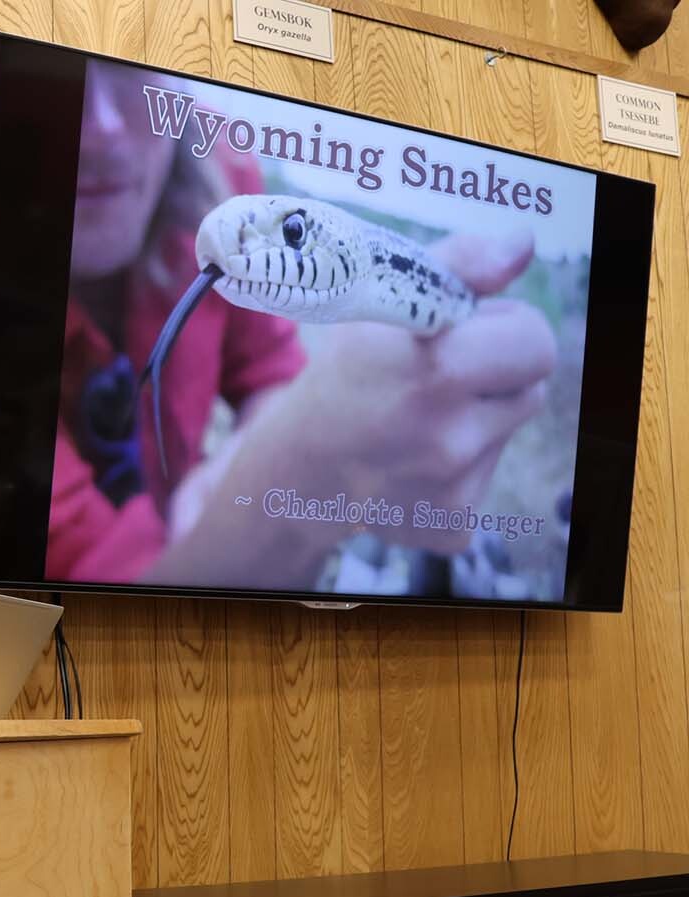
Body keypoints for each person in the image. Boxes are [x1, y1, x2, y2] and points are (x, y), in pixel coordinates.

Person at [46, 61, 556, 593]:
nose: (102, 124)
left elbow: (269, 372)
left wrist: (235, 475)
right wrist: (303, 463)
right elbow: (105, 596)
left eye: (125, 67)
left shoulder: (219, 176)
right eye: (60, 77)